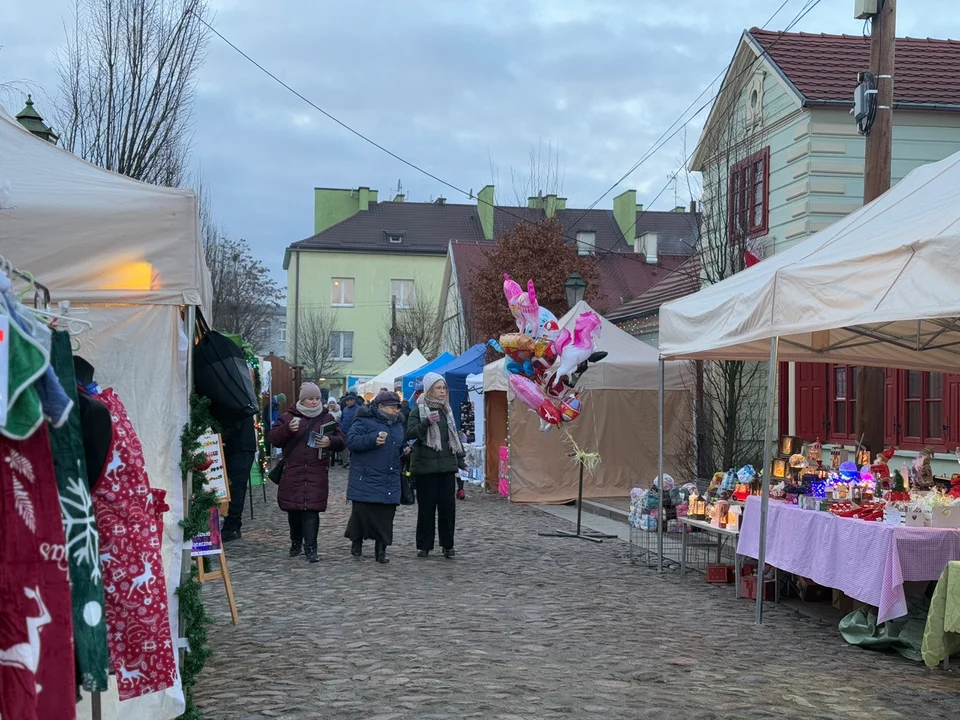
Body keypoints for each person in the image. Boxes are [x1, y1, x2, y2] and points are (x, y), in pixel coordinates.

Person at [268, 382, 344, 563]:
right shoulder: (288, 417)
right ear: (302, 399)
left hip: (316, 471)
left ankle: (311, 548)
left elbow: (342, 440)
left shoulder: (328, 418)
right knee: (293, 511)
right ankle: (296, 542)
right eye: (310, 398)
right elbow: (273, 439)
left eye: (317, 398)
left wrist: (330, 441)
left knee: (312, 510)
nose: (314, 402)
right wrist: (287, 430)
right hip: (293, 471)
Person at [406, 372, 466, 558]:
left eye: (444, 388)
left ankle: (448, 545)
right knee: (426, 509)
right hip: (425, 467)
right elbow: (410, 434)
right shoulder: (418, 409)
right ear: (429, 389)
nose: (442, 392)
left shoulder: (447, 410)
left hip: (446, 467)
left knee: (448, 509)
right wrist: (425, 423)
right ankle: (424, 545)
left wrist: (461, 459)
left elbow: (453, 437)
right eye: (438, 388)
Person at [344, 391, 406, 563]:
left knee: (385, 516)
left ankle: (381, 549)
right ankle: (356, 541)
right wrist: (372, 439)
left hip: (389, 476)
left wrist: (405, 451)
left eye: (397, 407)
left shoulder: (398, 425)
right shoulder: (364, 420)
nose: (396, 410)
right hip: (366, 475)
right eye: (392, 407)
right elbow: (351, 440)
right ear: (380, 407)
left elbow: (398, 446)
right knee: (361, 513)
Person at [339, 391, 362, 468]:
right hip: (344, 430)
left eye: (349, 401)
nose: (347, 402)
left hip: (353, 431)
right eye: (346, 401)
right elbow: (341, 419)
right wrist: (341, 425)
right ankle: (346, 462)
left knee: (353, 447)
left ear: (353, 401)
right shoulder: (345, 409)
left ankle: (353, 462)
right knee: (344, 447)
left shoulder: (358, 409)